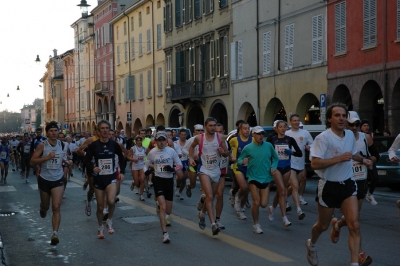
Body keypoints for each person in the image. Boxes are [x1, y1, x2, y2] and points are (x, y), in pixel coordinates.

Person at [306, 103, 373, 266]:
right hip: (329, 186)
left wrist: (363, 159)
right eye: (337, 115)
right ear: (329, 119)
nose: (342, 118)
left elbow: (352, 154)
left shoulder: (350, 135)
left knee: (355, 225)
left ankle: (354, 263)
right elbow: (314, 164)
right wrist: (338, 158)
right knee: (322, 225)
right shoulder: (323, 138)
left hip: (348, 184)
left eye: (344, 115)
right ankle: (311, 244)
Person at [329, 111, 374, 266]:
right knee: (354, 223)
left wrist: (368, 161)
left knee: (354, 219)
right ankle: (359, 255)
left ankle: (337, 225)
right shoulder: (339, 138)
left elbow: (374, 155)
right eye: (351, 124)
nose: (354, 127)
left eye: (356, 124)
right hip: (346, 181)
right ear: (345, 124)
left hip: (361, 179)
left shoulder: (365, 137)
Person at [84, 120, 125, 239]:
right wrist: (93, 168)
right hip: (98, 178)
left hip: (111, 176)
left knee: (112, 201)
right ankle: (100, 227)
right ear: (98, 131)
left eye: (107, 128)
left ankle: (109, 220)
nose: (105, 130)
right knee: (100, 207)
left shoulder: (114, 144)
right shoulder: (93, 145)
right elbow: (86, 161)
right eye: (102, 128)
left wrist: (121, 172)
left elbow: (122, 159)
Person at [189, 117, 229, 235]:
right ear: (205, 126)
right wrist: (191, 158)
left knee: (210, 197)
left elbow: (227, 153)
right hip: (204, 170)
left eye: (214, 125)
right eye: (210, 125)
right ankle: (213, 224)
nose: (213, 128)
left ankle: (202, 214)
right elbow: (191, 147)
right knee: (210, 196)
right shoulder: (199, 138)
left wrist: (223, 153)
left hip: (216, 170)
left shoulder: (220, 137)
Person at [30, 121, 67, 245]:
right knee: (46, 207)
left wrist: (68, 162)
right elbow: (32, 161)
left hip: (58, 179)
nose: (54, 133)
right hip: (45, 179)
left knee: (56, 207)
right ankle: (43, 208)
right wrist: (46, 158)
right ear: (47, 133)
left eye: (56, 130)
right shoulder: (42, 145)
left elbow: (63, 157)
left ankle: (55, 234)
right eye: (51, 131)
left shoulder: (62, 144)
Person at [237, 126, 279, 233]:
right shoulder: (248, 148)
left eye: (262, 134)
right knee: (256, 202)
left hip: (265, 177)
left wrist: (274, 167)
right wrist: (243, 162)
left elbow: (275, 158)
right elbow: (239, 160)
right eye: (259, 134)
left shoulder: (269, 146)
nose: (261, 136)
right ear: (253, 135)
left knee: (263, 204)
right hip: (253, 177)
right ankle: (256, 225)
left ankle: (257, 218)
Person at [146, 131, 183, 243]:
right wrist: (146, 172)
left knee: (168, 210)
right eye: (159, 140)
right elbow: (146, 165)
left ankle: (162, 209)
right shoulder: (152, 152)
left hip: (168, 181)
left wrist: (173, 169)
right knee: (163, 207)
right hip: (158, 180)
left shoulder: (171, 151)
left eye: (163, 140)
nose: (161, 143)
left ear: (166, 141)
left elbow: (180, 164)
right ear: (156, 141)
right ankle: (165, 234)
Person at [268, 120, 302, 226]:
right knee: (283, 191)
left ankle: (272, 208)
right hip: (277, 167)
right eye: (280, 127)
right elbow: (267, 153)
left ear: (286, 128)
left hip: (287, 167)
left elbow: (300, 153)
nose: (282, 129)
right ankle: (284, 218)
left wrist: (291, 152)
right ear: (277, 129)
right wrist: (270, 165)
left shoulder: (290, 139)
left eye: (284, 127)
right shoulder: (272, 139)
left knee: (280, 191)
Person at [285, 114, 314, 217]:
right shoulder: (287, 133)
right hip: (290, 163)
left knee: (294, 186)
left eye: (298, 120)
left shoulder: (305, 133)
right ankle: (299, 210)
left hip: (300, 164)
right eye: (294, 121)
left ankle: (282, 199)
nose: (296, 122)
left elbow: (312, 144)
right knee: (296, 186)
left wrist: (309, 147)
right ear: (290, 122)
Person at [229, 122, 253, 219]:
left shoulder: (253, 140)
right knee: (244, 187)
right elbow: (226, 148)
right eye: (245, 128)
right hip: (238, 167)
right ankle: (237, 201)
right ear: (240, 130)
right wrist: (231, 158)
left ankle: (240, 209)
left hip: (249, 168)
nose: (247, 130)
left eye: (248, 128)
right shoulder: (235, 140)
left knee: (246, 191)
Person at [214, 123, 231, 229]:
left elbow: (229, 155)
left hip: (222, 171)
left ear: (223, 132)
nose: (219, 134)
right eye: (216, 132)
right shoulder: (210, 142)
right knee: (209, 196)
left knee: (220, 195)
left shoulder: (226, 142)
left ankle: (218, 219)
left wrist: (227, 153)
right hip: (210, 171)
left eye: (221, 132)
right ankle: (202, 213)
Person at [182, 124, 204, 197]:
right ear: (195, 131)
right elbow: (184, 150)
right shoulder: (191, 140)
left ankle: (203, 196)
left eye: (202, 130)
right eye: (198, 130)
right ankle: (189, 186)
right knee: (193, 184)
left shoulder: (205, 139)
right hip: (193, 163)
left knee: (203, 182)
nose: (200, 132)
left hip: (203, 163)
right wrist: (192, 155)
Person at [127, 135, 150, 201]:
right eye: (138, 141)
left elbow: (150, 155)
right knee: (137, 182)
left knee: (142, 180)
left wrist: (148, 161)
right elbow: (128, 157)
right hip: (135, 166)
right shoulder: (133, 148)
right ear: (136, 141)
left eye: (140, 140)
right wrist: (134, 159)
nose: (139, 142)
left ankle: (141, 195)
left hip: (142, 165)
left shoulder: (144, 148)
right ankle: (133, 183)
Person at [174, 129, 189, 200]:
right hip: (177, 162)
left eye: (184, 135)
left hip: (185, 161)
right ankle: (177, 186)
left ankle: (180, 191)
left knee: (184, 178)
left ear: (186, 135)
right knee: (180, 176)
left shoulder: (188, 143)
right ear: (179, 135)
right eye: (182, 135)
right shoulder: (176, 143)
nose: (183, 136)